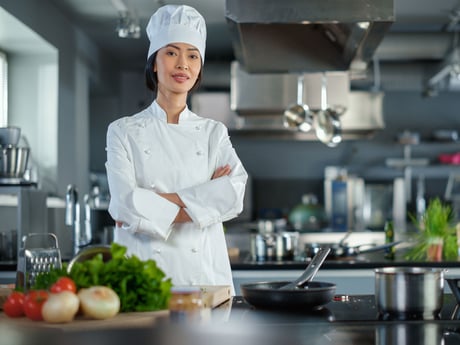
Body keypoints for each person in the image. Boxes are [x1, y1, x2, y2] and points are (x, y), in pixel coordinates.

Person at [105, 4, 248, 295]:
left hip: (204, 278)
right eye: (171, 52)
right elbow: (123, 205)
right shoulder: (122, 130)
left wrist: (152, 201)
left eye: (192, 55)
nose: (183, 64)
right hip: (144, 275)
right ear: (154, 63)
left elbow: (233, 195)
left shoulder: (213, 132)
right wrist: (205, 199)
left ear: (199, 69)